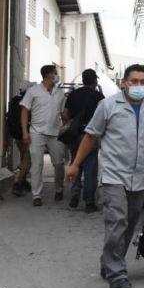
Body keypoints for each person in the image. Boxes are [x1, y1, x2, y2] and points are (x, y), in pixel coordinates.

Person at [65, 64, 144, 288]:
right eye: (133, 81)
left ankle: (110, 261)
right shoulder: (108, 106)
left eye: (142, 82)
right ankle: (117, 275)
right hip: (114, 175)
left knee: (130, 222)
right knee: (117, 222)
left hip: (139, 177)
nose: (138, 86)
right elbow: (91, 136)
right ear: (124, 83)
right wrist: (75, 164)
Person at [20, 65, 66, 207]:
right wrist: (25, 132)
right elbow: (24, 111)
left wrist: (66, 127)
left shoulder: (60, 93)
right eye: (55, 73)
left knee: (59, 162)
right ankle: (36, 195)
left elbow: (63, 113)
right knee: (37, 163)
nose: (57, 76)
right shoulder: (33, 91)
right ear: (48, 75)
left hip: (55, 132)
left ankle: (59, 189)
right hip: (36, 132)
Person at [62, 69, 105, 212]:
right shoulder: (99, 96)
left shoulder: (73, 94)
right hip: (91, 136)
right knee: (90, 169)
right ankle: (89, 202)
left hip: (75, 136)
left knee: (76, 163)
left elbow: (65, 114)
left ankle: (75, 192)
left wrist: (70, 124)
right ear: (94, 81)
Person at [6, 81, 35, 196]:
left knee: (24, 157)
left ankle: (23, 181)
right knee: (28, 160)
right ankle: (17, 184)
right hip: (26, 135)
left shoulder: (14, 101)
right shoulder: (27, 102)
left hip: (16, 135)